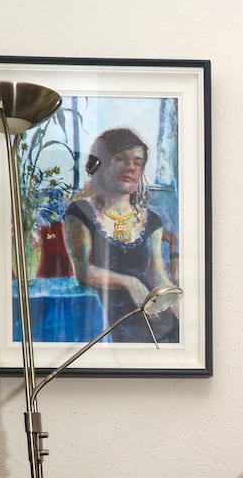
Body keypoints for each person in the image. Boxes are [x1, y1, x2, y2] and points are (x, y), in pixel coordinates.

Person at [63, 127, 179, 343]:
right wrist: (130, 283)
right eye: (120, 159)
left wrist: (176, 305)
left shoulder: (152, 220)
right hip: (106, 317)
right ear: (101, 164)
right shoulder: (80, 212)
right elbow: (84, 273)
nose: (130, 168)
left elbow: (157, 274)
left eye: (138, 162)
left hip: (150, 313)